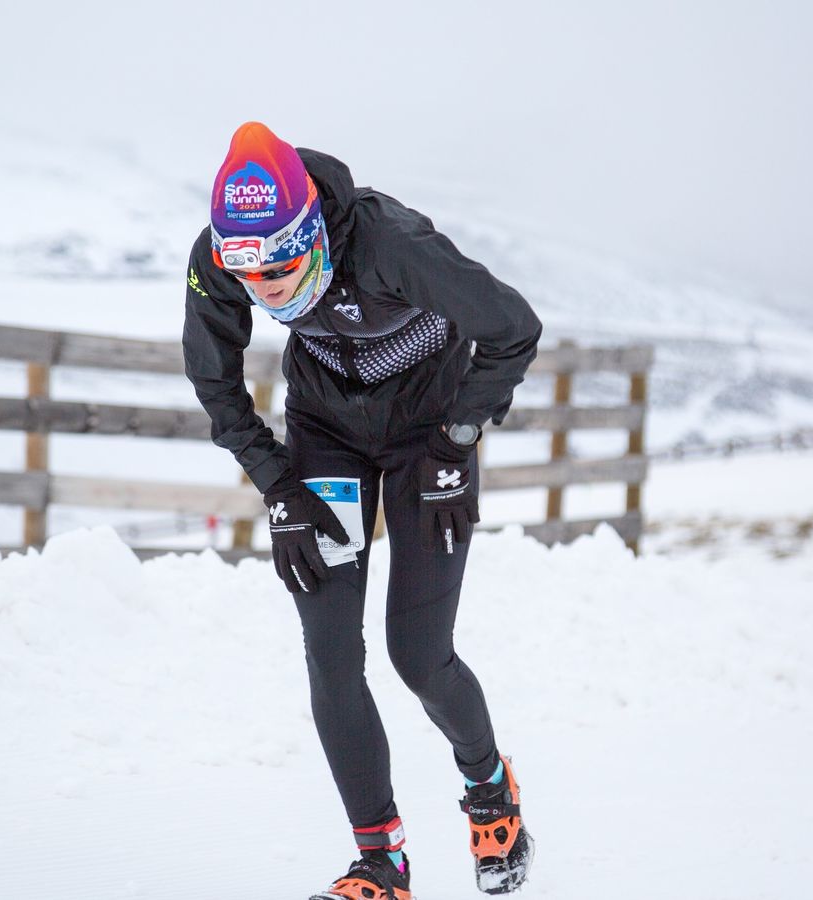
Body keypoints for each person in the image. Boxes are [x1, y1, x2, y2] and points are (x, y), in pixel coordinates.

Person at [182, 121, 541, 899]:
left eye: (278, 260)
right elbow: (215, 383)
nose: (265, 284)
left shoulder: (391, 244)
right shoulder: (219, 255)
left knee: (418, 652)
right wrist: (278, 486)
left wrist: (458, 434)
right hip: (326, 440)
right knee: (331, 651)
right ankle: (382, 863)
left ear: (312, 228)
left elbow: (513, 329)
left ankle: (490, 794)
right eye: (244, 266)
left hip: (427, 439)